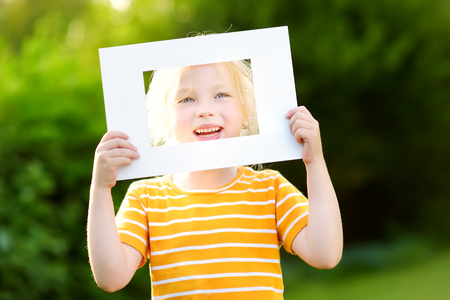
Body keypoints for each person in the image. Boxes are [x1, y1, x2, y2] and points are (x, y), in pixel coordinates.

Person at [87, 60, 343, 299]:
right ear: (166, 120)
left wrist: (314, 162)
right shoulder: (146, 198)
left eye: (221, 95)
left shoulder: (269, 189)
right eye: (186, 98)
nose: (205, 111)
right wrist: (100, 188)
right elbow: (111, 278)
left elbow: (326, 255)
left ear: (246, 113)